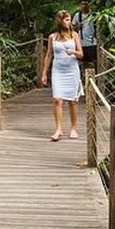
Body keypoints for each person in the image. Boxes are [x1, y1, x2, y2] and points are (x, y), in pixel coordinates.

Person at [41, 10, 83, 141]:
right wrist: (44, 74)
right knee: (57, 99)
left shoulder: (74, 35)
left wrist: (74, 52)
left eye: (70, 20)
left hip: (72, 71)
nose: (69, 22)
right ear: (60, 21)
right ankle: (58, 129)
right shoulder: (52, 37)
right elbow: (48, 56)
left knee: (72, 101)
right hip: (58, 71)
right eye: (66, 20)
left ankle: (73, 128)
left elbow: (81, 54)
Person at [72, 0, 97, 71]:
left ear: (89, 5)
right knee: (84, 61)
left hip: (92, 42)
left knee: (95, 60)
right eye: (82, 4)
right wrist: (78, 27)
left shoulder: (93, 15)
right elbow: (72, 29)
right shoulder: (77, 16)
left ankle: (96, 76)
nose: (84, 6)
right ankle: (85, 77)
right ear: (80, 5)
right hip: (81, 42)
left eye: (86, 4)